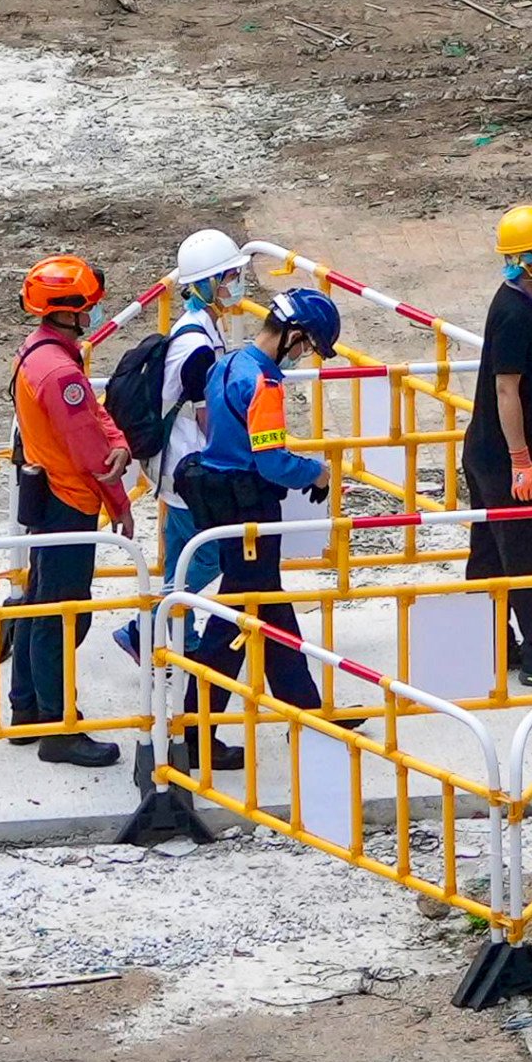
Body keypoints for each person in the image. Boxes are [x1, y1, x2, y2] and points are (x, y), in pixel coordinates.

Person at [176, 289, 341, 759]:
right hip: (250, 510)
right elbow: (271, 463)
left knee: (270, 611)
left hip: (226, 503)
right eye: (307, 346)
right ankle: (197, 734)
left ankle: (307, 711)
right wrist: (317, 472)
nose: (303, 356)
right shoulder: (264, 385)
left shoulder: (227, 365)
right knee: (234, 626)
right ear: (295, 334)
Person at [4, 254, 130, 765]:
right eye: (91, 307)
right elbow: (89, 452)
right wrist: (120, 504)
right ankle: (58, 729)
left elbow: (93, 418)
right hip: (67, 501)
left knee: (40, 604)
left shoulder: (39, 353)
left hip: (46, 496)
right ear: (71, 311)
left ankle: (26, 712)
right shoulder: (59, 371)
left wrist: (116, 437)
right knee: (62, 617)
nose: (96, 313)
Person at [112, 225, 255, 660]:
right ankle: (149, 624)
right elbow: (210, 416)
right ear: (208, 284)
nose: (236, 284)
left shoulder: (198, 327)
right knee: (206, 555)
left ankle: (180, 634)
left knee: (182, 555)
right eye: (229, 277)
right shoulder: (196, 345)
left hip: (176, 466)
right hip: (186, 468)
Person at [464, 202, 532, 688]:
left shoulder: (521, 300)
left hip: (486, 450)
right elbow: (505, 388)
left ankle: (486, 642)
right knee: (527, 556)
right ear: (530, 258)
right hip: (504, 457)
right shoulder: (513, 312)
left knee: (489, 554)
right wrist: (521, 460)